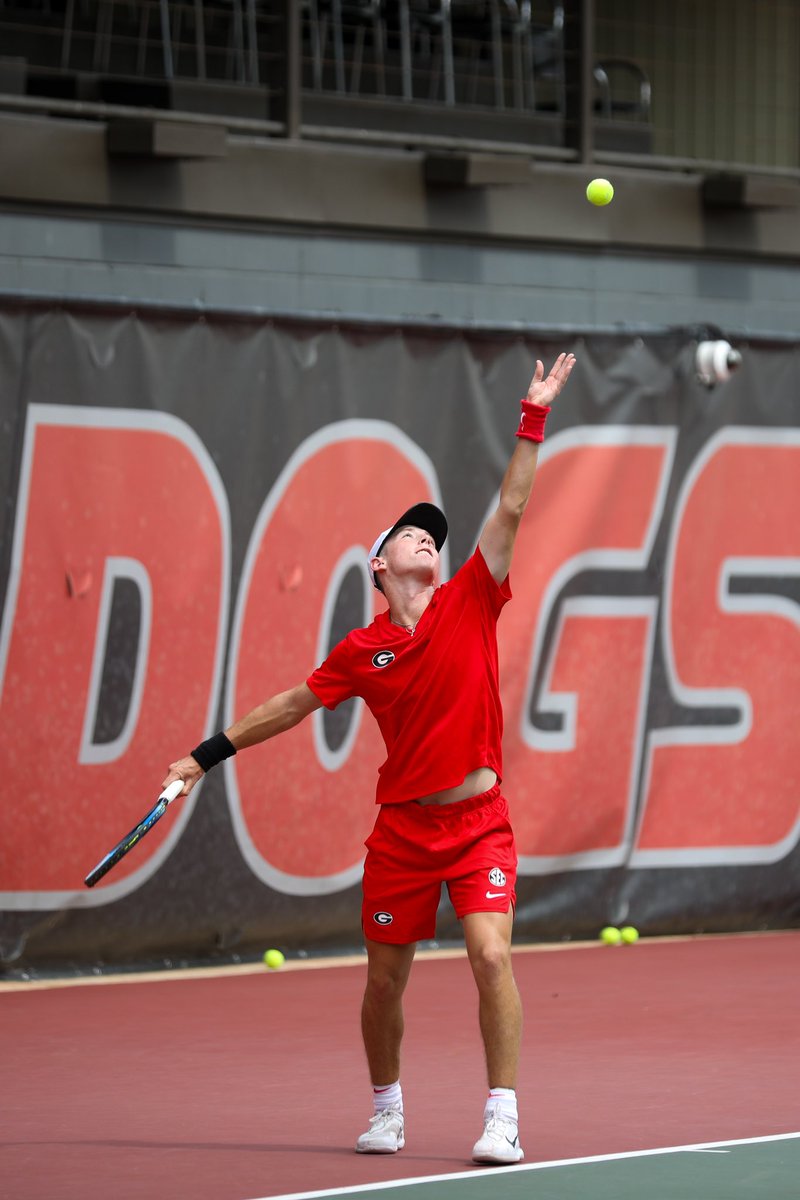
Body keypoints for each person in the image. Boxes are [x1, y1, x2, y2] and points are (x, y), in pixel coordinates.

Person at [162, 351, 576, 1165]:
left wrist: (534, 415)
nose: (428, 537)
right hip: (403, 835)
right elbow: (289, 705)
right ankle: (387, 1108)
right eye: (409, 535)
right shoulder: (361, 649)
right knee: (384, 982)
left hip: (480, 822)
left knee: (491, 953)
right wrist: (204, 756)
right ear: (379, 566)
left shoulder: (472, 596)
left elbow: (515, 504)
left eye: (433, 534)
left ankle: (503, 1116)